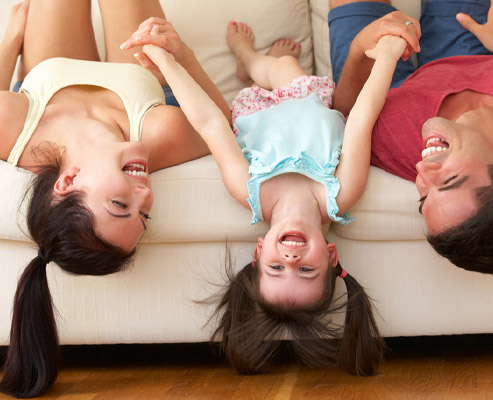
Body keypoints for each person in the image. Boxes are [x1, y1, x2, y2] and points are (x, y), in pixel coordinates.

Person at [133, 21, 406, 375]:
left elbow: (211, 124)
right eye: (305, 270)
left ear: (260, 251)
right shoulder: (340, 194)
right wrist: (386, 57)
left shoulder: (250, 192)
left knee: (277, 71)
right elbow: (361, 119)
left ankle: (249, 60)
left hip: (253, 111)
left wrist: (168, 64)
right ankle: (262, 61)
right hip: (306, 97)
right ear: (330, 254)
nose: (291, 257)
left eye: (276, 268)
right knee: (287, 71)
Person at [0, 0, 229, 397]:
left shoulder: (15, 129)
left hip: (48, 72)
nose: (145, 195)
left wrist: (11, 40)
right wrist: (183, 58)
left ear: (68, 181)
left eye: (121, 205)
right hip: (132, 80)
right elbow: (220, 123)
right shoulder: (158, 135)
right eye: (144, 216)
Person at [328, 0, 493, 274]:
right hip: (481, 55)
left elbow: (347, 116)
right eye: (449, 180)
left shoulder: (395, 142)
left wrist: (360, 46)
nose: (422, 171)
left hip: (386, 85)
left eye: (424, 198)